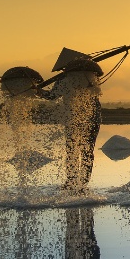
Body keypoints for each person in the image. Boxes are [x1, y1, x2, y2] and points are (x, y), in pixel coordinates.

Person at [38, 57, 105, 192]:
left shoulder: (86, 78)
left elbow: (51, 96)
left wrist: (38, 92)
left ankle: (79, 183)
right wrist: (38, 91)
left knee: (77, 150)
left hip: (88, 120)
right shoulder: (87, 78)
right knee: (81, 151)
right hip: (78, 120)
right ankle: (75, 182)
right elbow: (52, 96)